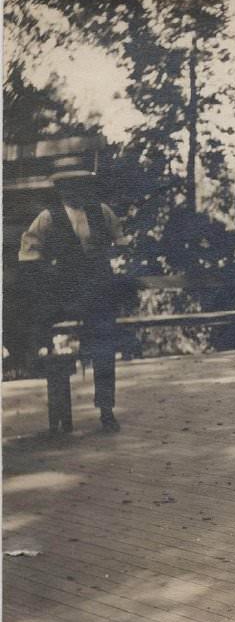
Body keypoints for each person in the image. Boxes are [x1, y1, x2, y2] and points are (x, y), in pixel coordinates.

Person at [19, 154, 126, 434]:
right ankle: (60, 415)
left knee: (104, 343)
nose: (74, 190)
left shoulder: (101, 212)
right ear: (59, 188)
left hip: (98, 289)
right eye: (67, 185)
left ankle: (106, 409)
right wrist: (47, 272)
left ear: (86, 186)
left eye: (79, 184)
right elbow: (28, 251)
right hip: (65, 292)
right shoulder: (48, 217)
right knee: (51, 339)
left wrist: (112, 257)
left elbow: (121, 242)